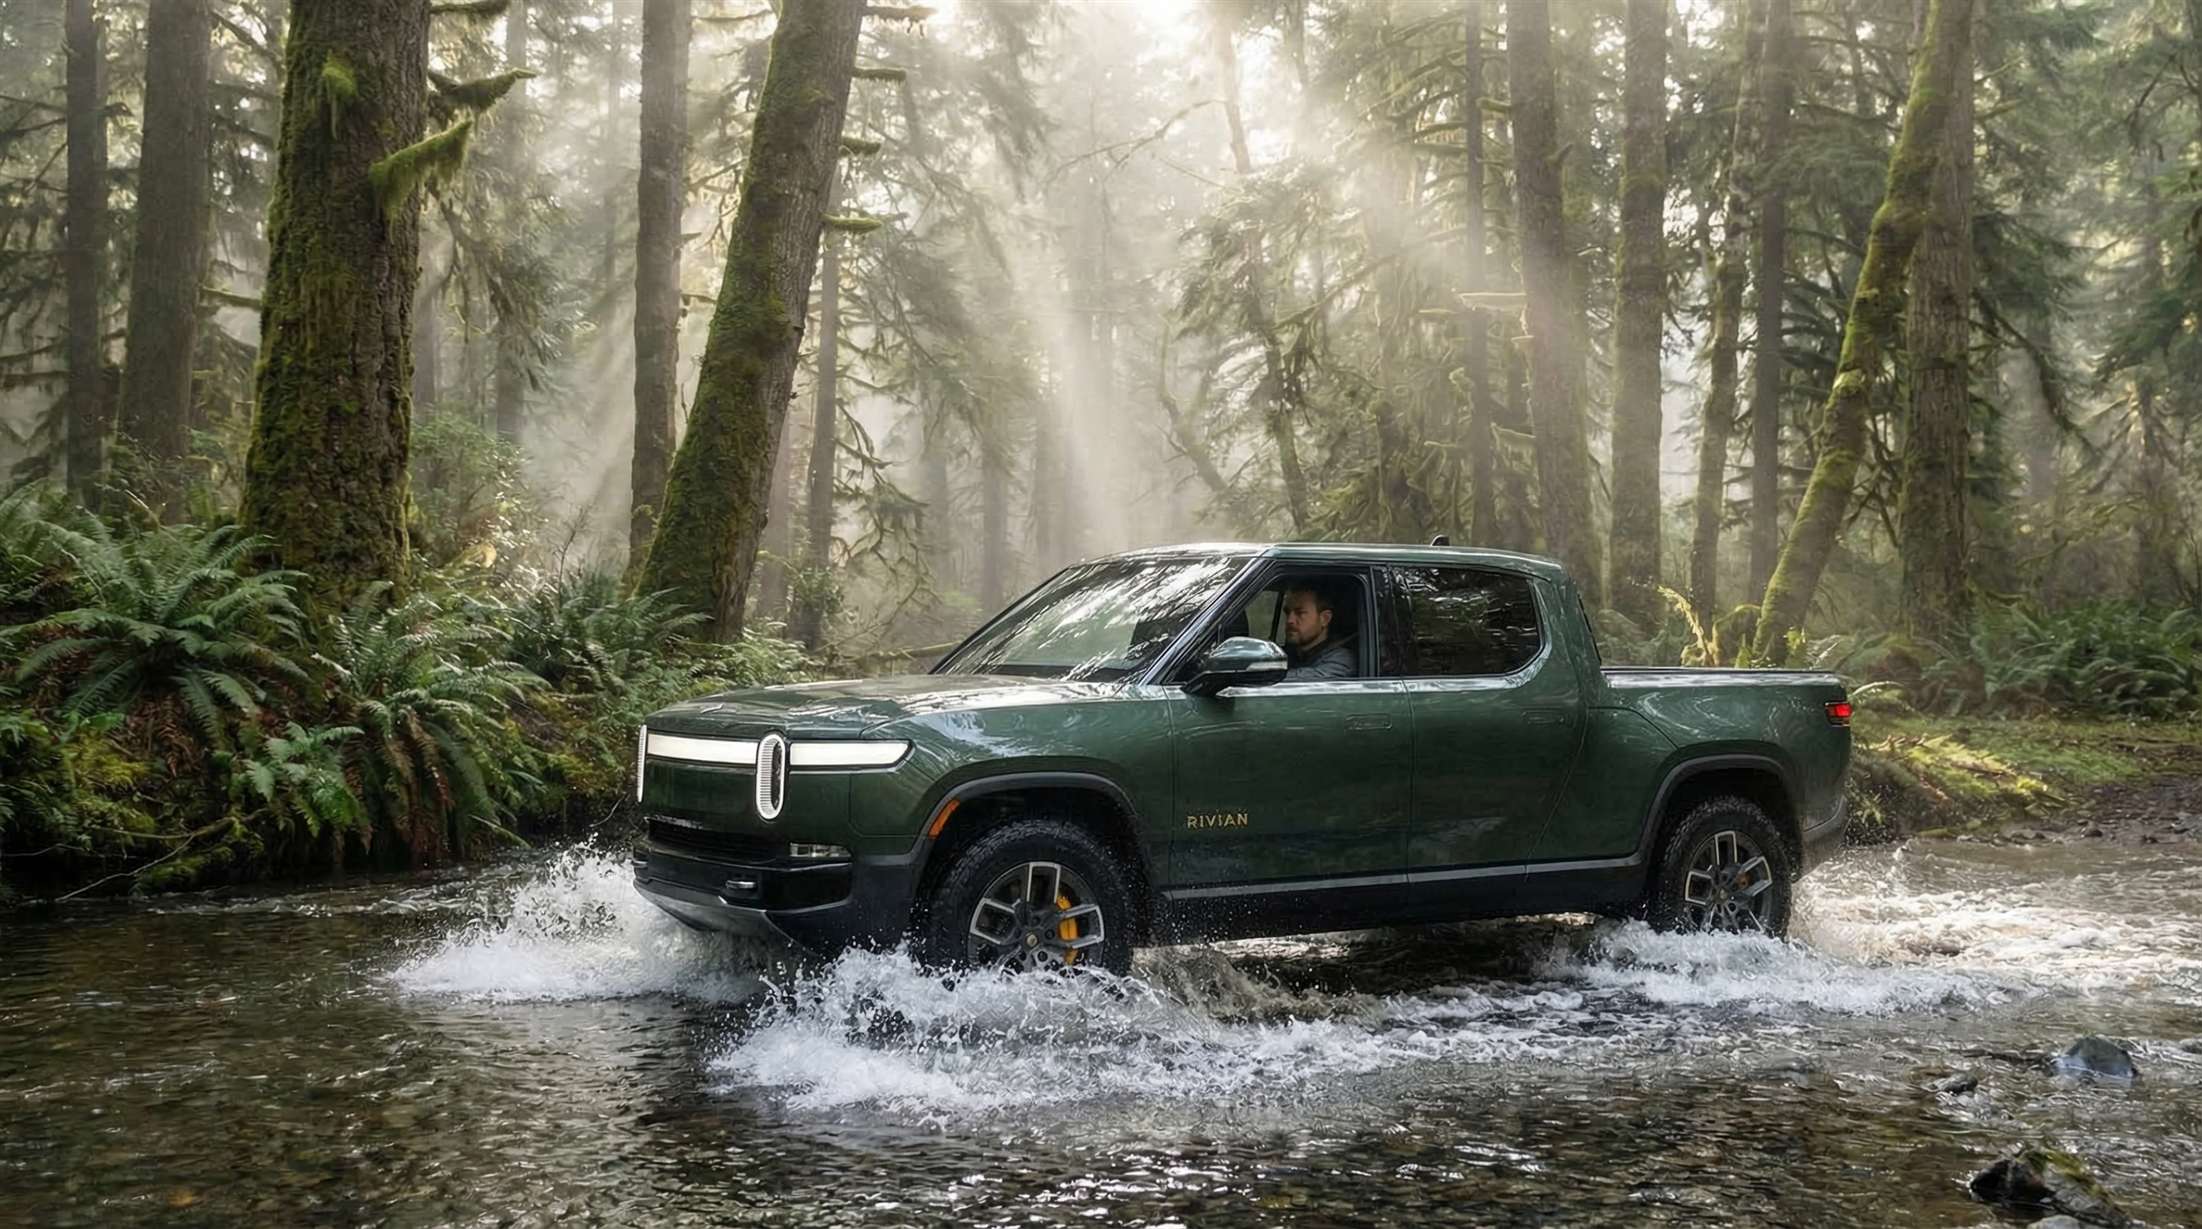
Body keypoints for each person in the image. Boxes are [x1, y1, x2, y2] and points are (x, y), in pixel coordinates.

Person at [1279, 582, 1355, 681]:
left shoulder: (1341, 660)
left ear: (1324, 618)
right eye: (1288, 612)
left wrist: (1261, 678)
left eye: (1300, 613)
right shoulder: (1289, 654)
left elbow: (1307, 682)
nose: (1290, 620)